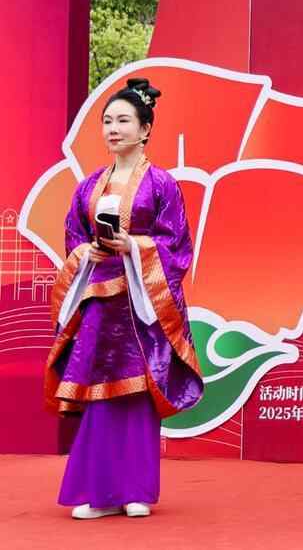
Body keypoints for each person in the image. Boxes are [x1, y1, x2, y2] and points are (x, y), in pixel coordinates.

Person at [46, 77, 203, 519]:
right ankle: (98, 493)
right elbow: (74, 239)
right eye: (108, 121)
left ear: (145, 128)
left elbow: (176, 246)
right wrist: (88, 252)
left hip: (140, 304)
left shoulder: (162, 184)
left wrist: (133, 246)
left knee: (136, 394)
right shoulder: (88, 186)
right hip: (100, 302)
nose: (113, 129)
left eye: (123, 121)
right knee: (99, 395)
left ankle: (136, 490)